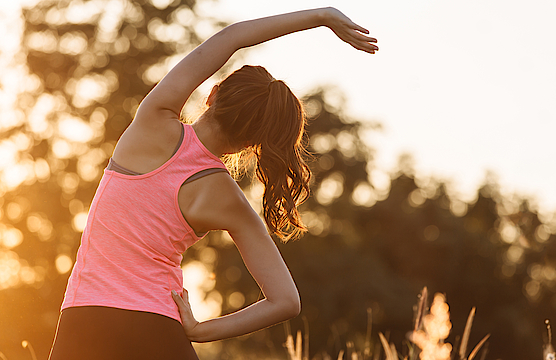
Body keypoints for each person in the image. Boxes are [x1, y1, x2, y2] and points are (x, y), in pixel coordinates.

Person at [48, 7, 377, 360]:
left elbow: (232, 37)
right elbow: (286, 301)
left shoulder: (153, 124)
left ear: (213, 93)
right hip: (159, 329)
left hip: (86, 320)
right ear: (254, 143)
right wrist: (200, 331)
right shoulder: (229, 199)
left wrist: (322, 16)